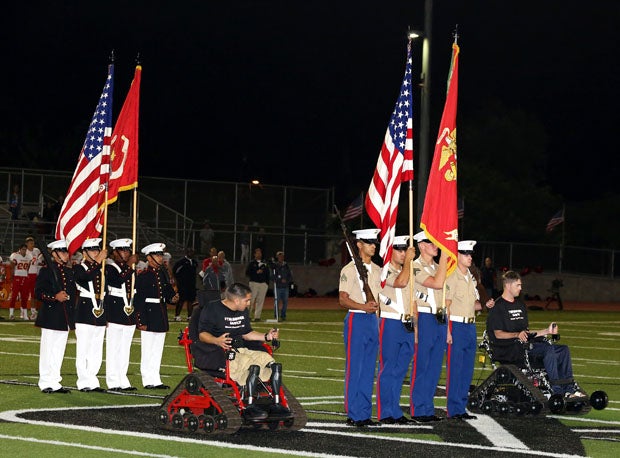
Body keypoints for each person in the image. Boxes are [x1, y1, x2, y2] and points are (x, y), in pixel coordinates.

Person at [486, 270, 585, 398]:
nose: (521, 288)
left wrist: (546, 331)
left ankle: (569, 388)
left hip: (525, 346)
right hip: (510, 350)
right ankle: (558, 392)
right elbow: (498, 334)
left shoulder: (520, 305)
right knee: (548, 350)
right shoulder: (497, 306)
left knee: (563, 350)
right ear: (508, 286)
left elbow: (526, 333)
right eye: (518, 285)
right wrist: (516, 335)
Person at [197, 282, 287, 420]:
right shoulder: (212, 309)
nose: (249, 303)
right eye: (247, 300)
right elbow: (202, 334)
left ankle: (276, 404)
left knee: (271, 363)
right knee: (251, 366)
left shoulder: (242, 310)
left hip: (242, 348)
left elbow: (246, 333)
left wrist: (266, 336)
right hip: (220, 351)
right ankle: (249, 407)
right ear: (237, 300)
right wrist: (217, 340)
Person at [338, 228, 382, 427]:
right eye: (369, 242)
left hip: (373, 321)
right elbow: (343, 299)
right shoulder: (349, 270)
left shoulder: (378, 270)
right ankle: (353, 413)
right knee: (356, 368)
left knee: (368, 370)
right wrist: (363, 306)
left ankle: (364, 413)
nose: (373, 246)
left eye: (374, 242)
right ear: (359, 245)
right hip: (356, 319)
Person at [376, 235, 417, 425]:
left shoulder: (408, 271)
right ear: (390, 251)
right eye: (399, 250)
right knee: (388, 369)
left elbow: (413, 302)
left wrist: (416, 330)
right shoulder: (384, 271)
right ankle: (385, 412)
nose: (403, 254)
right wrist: (409, 261)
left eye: (405, 250)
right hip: (391, 323)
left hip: (407, 324)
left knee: (401, 371)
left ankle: (395, 410)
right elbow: (400, 282)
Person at [410, 230, 448, 422]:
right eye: (431, 243)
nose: (436, 246)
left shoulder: (436, 267)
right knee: (422, 365)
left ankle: (428, 408)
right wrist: (445, 257)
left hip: (440, 318)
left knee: (434, 367)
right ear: (421, 245)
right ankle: (418, 408)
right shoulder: (415, 267)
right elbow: (436, 284)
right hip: (425, 318)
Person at [444, 240, 483, 420]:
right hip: (457, 325)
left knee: (467, 368)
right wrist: (447, 330)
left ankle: (461, 406)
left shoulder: (470, 277)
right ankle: (453, 408)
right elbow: (447, 305)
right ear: (457, 256)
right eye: (466, 254)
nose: (469, 257)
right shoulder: (452, 277)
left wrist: (484, 305)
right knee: (456, 368)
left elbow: (473, 304)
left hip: (470, 325)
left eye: (470, 254)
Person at [134, 242, 179, 389]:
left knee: (158, 349)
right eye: (158, 255)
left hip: (160, 313)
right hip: (149, 313)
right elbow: (139, 299)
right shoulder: (144, 276)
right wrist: (141, 319)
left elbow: (165, 290)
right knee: (148, 349)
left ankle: (156, 378)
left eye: (161, 255)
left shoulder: (162, 273)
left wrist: (172, 297)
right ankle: (147, 379)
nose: (161, 257)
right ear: (149, 257)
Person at [34, 239, 76, 393]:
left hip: (64, 316)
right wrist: (54, 296)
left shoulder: (69, 271)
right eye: (63, 252)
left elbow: (71, 295)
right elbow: (38, 293)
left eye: (66, 251)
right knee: (48, 350)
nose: (66, 254)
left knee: (59, 351)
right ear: (54, 254)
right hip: (51, 315)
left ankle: (55, 381)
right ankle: (45, 382)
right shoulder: (46, 271)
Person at [73, 238, 108, 392]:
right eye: (93, 250)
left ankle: (93, 380)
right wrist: (98, 261)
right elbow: (84, 277)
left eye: (97, 250)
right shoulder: (79, 268)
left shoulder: (101, 268)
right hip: (85, 310)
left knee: (96, 348)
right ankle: (83, 381)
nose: (96, 253)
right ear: (84, 253)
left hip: (99, 310)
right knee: (83, 349)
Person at [104, 238, 139, 391]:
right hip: (115, 308)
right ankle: (112, 380)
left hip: (128, 309)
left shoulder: (129, 269)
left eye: (127, 250)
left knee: (125, 348)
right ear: (115, 253)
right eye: (123, 250)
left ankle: (122, 378)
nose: (126, 253)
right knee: (114, 347)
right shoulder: (110, 268)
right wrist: (130, 267)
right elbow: (117, 282)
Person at [173, 247, 198, 322]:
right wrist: (178, 281)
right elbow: (175, 271)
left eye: (192, 252)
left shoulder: (194, 262)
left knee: (191, 301)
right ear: (187, 253)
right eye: (190, 252)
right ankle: (177, 315)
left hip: (191, 285)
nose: (191, 254)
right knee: (181, 300)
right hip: (183, 285)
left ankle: (190, 316)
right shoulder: (181, 262)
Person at [9, 243, 33, 320]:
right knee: (14, 296)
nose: (24, 251)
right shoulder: (16, 256)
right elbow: (12, 265)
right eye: (23, 249)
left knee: (24, 297)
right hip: (17, 277)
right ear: (20, 249)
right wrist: (13, 276)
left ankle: (25, 315)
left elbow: (28, 267)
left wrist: (26, 273)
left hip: (25, 277)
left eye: (25, 249)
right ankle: (11, 314)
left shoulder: (28, 256)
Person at [245, 248, 270, 321]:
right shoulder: (252, 263)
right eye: (257, 253)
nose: (259, 255)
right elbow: (247, 273)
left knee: (260, 300)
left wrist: (266, 283)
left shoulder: (265, 263)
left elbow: (268, 273)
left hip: (263, 284)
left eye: (260, 253)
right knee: (251, 300)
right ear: (254, 254)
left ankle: (257, 317)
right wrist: (256, 272)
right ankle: (248, 316)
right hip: (254, 283)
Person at [272, 250, 293, 321]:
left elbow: (290, 275)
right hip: (278, 287)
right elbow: (272, 276)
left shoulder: (286, 265)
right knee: (276, 301)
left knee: (285, 302)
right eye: (279, 256)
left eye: (282, 256)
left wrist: (287, 280)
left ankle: (283, 315)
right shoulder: (275, 266)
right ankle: (276, 315)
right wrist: (279, 280)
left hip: (285, 287)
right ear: (277, 257)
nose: (281, 257)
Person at [25, 236, 42, 320]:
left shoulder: (36, 250)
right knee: (25, 293)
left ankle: (33, 311)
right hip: (28, 274)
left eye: (33, 243)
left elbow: (38, 261)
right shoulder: (25, 251)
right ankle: (23, 311)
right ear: (26, 244)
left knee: (34, 293)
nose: (32, 244)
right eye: (30, 243)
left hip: (35, 274)